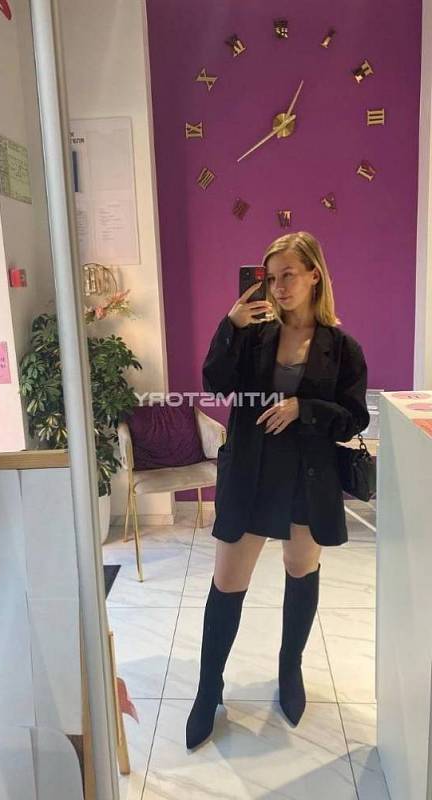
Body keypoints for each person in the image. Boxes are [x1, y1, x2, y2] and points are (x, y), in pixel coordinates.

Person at [185, 231, 370, 751]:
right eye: (271, 277)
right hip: (251, 471)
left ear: (314, 275)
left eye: (288, 274)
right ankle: (208, 689)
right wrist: (229, 325)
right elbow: (215, 384)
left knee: (300, 570)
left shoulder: (343, 348)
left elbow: (353, 417)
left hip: (308, 478)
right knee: (228, 581)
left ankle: (290, 671)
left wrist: (303, 409)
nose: (279, 286)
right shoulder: (252, 334)